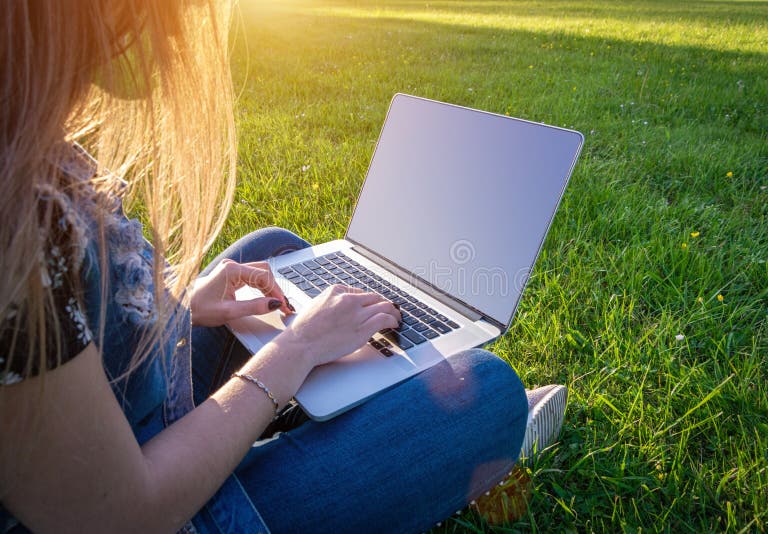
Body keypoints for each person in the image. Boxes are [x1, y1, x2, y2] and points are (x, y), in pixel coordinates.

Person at [0, 1, 567, 532]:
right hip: (159, 509)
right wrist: (293, 352)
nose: (189, 28)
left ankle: (336, 408)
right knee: (489, 391)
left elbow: (76, 322)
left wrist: (181, 304)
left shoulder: (25, 137)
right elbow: (118, 514)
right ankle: (392, 430)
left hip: (119, 428)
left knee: (271, 250)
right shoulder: (17, 218)